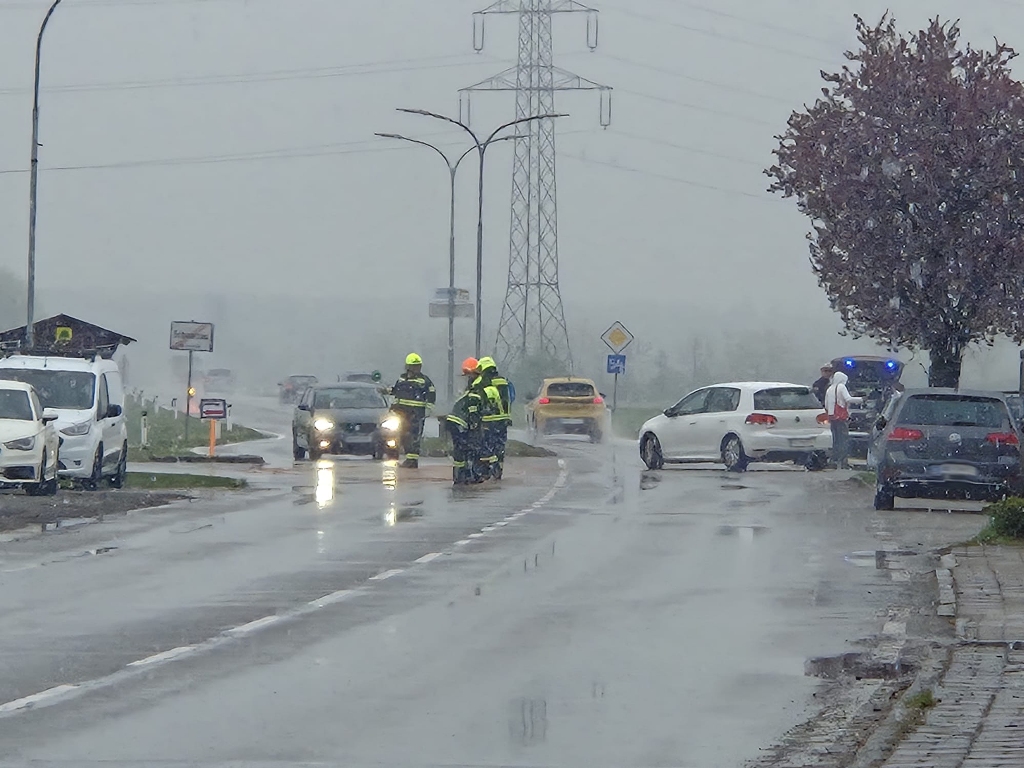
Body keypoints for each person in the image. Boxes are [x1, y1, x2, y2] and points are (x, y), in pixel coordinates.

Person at [389, 353, 436, 469]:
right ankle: (409, 458)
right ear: (408, 366)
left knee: (414, 436)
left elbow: (431, 393)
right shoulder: (402, 378)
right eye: (414, 366)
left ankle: (413, 460)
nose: (417, 368)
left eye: (418, 366)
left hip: (416, 414)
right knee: (404, 436)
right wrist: (390, 396)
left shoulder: (424, 380)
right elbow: (397, 391)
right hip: (402, 413)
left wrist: (429, 408)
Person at [446, 358, 484, 485]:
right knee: (467, 448)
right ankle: (466, 476)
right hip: (460, 423)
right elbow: (473, 409)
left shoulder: (471, 388)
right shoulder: (477, 389)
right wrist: (475, 425)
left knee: (460, 450)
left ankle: (459, 476)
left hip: (455, 421)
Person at [476, 356, 511, 479]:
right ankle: (498, 470)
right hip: (503, 419)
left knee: (486, 446)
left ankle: (487, 470)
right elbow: (507, 400)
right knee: (499, 446)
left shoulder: (482, 381)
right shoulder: (502, 381)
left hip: (488, 419)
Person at [825, 371, 863, 469]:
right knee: (843, 439)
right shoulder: (841, 387)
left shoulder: (829, 388)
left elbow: (826, 404)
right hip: (841, 418)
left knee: (835, 439)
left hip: (832, 417)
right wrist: (861, 399)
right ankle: (843, 461)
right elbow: (848, 399)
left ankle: (834, 460)